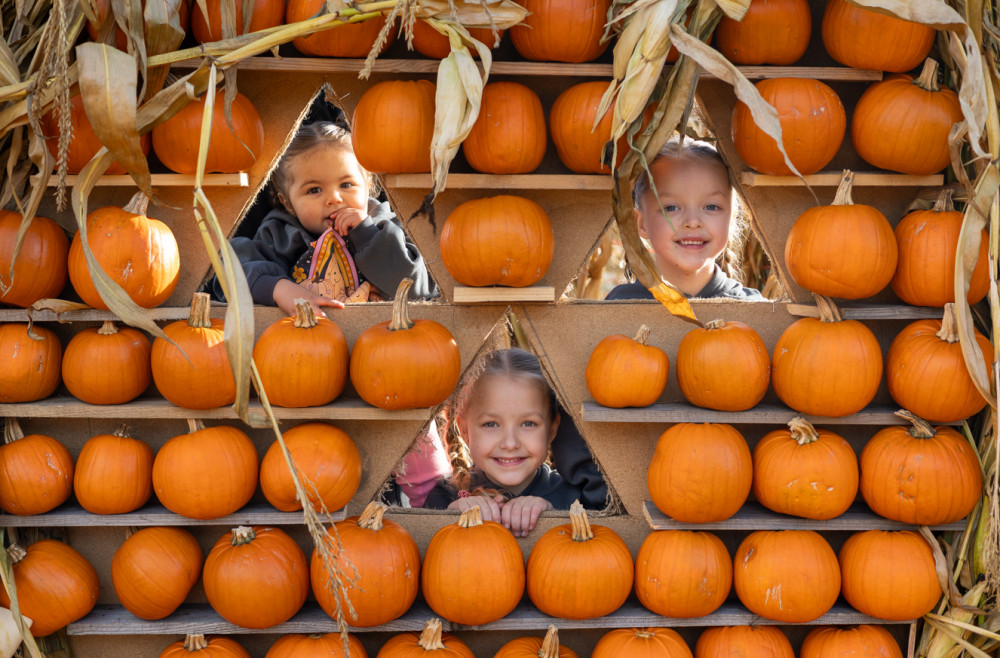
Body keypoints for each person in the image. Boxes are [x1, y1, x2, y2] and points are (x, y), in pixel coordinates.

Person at [212, 121, 436, 314]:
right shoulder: (279, 234)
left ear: (368, 184)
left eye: (346, 185)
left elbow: (421, 291)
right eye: (314, 190)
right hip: (307, 349)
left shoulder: (385, 227)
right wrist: (277, 288)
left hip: (382, 347)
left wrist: (368, 235)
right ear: (287, 202)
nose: (334, 198)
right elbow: (228, 275)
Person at [423, 348, 607, 537]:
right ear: (464, 430)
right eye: (491, 424)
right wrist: (449, 517)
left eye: (528, 424)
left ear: (552, 429)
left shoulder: (576, 498)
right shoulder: (445, 496)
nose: (510, 443)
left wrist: (554, 517)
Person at [606, 136, 767, 301]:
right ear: (640, 224)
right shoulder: (616, 307)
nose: (692, 222)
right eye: (671, 208)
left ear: (731, 220)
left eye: (711, 207)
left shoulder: (756, 310)